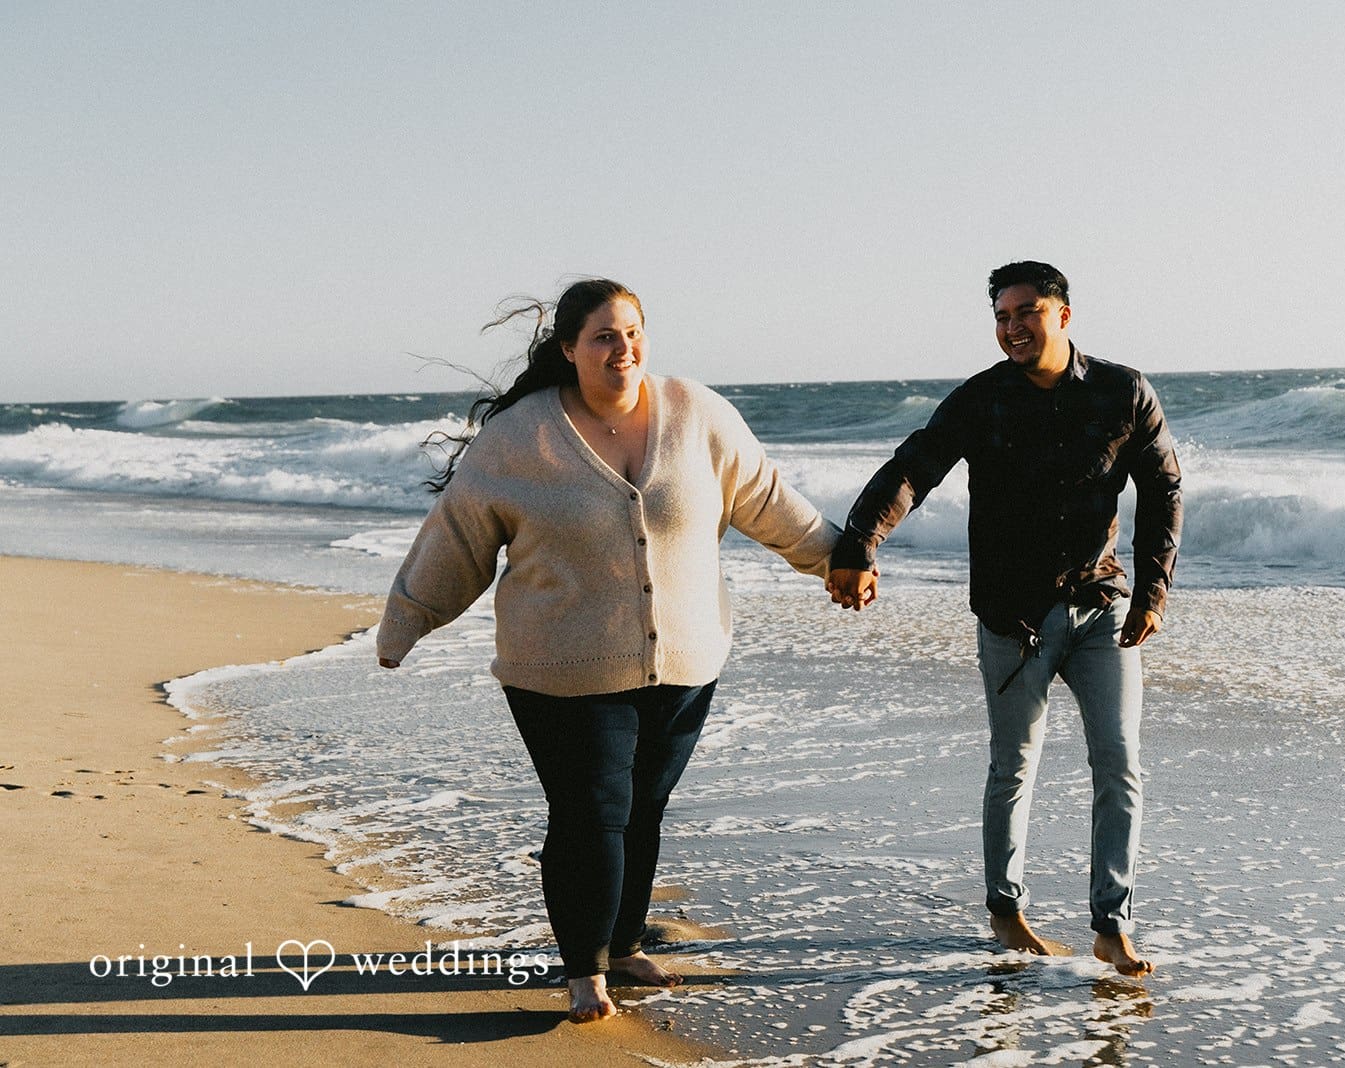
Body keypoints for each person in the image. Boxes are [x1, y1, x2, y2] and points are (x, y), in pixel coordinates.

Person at [375, 278, 842, 1022]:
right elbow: (458, 538)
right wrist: (406, 621)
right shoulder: (519, 437)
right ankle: (584, 967)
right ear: (569, 349)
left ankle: (623, 944)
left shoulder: (696, 413)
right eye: (602, 336)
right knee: (593, 807)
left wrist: (838, 562)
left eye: (632, 333)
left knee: (644, 807)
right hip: (559, 666)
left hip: (684, 661)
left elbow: (765, 499)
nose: (622, 348)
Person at [826, 261, 1181, 976]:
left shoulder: (1123, 391)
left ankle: (1112, 923)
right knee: (1013, 766)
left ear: (1064, 316)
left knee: (1120, 764)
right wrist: (859, 546)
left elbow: (1164, 486)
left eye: (1027, 312)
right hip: (1012, 620)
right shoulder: (981, 399)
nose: (1012, 327)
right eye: (1002, 315)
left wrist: (1152, 594)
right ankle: (1006, 909)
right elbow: (914, 467)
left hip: (1098, 608)